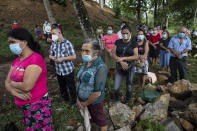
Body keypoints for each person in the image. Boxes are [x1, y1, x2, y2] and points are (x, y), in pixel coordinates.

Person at [5, 28, 53, 130]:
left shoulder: (35, 59)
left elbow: (27, 86)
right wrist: (16, 93)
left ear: (24, 42)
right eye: (9, 43)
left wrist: (12, 84)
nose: (10, 45)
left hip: (38, 107)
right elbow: (6, 83)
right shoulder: (17, 60)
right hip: (25, 108)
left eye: (13, 42)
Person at [77, 38, 108, 131]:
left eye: (87, 51)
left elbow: (97, 92)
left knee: (101, 121)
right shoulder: (85, 63)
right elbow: (79, 80)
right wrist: (77, 98)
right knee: (91, 119)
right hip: (82, 101)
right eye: (82, 50)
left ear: (96, 52)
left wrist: (84, 103)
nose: (83, 53)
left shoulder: (101, 67)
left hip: (94, 102)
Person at [49, 27, 77, 105]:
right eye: (51, 34)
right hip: (58, 70)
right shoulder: (53, 44)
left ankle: (74, 101)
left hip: (67, 70)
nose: (52, 36)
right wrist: (52, 57)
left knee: (71, 86)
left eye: (53, 34)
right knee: (62, 86)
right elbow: (50, 55)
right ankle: (65, 99)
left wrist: (63, 59)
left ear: (59, 33)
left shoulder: (67, 43)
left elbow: (74, 56)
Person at [112, 25, 138, 105]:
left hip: (130, 68)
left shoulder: (134, 43)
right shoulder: (118, 42)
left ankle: (127, 101)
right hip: (119, 67)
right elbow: (113, 53)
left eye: (126, 33)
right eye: (123, 33)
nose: (125, 34)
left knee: (129, 86)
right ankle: (117, 100)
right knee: (116, 87)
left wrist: (123, 59)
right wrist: (120, 62)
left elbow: (136, 56)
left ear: (130, 33)